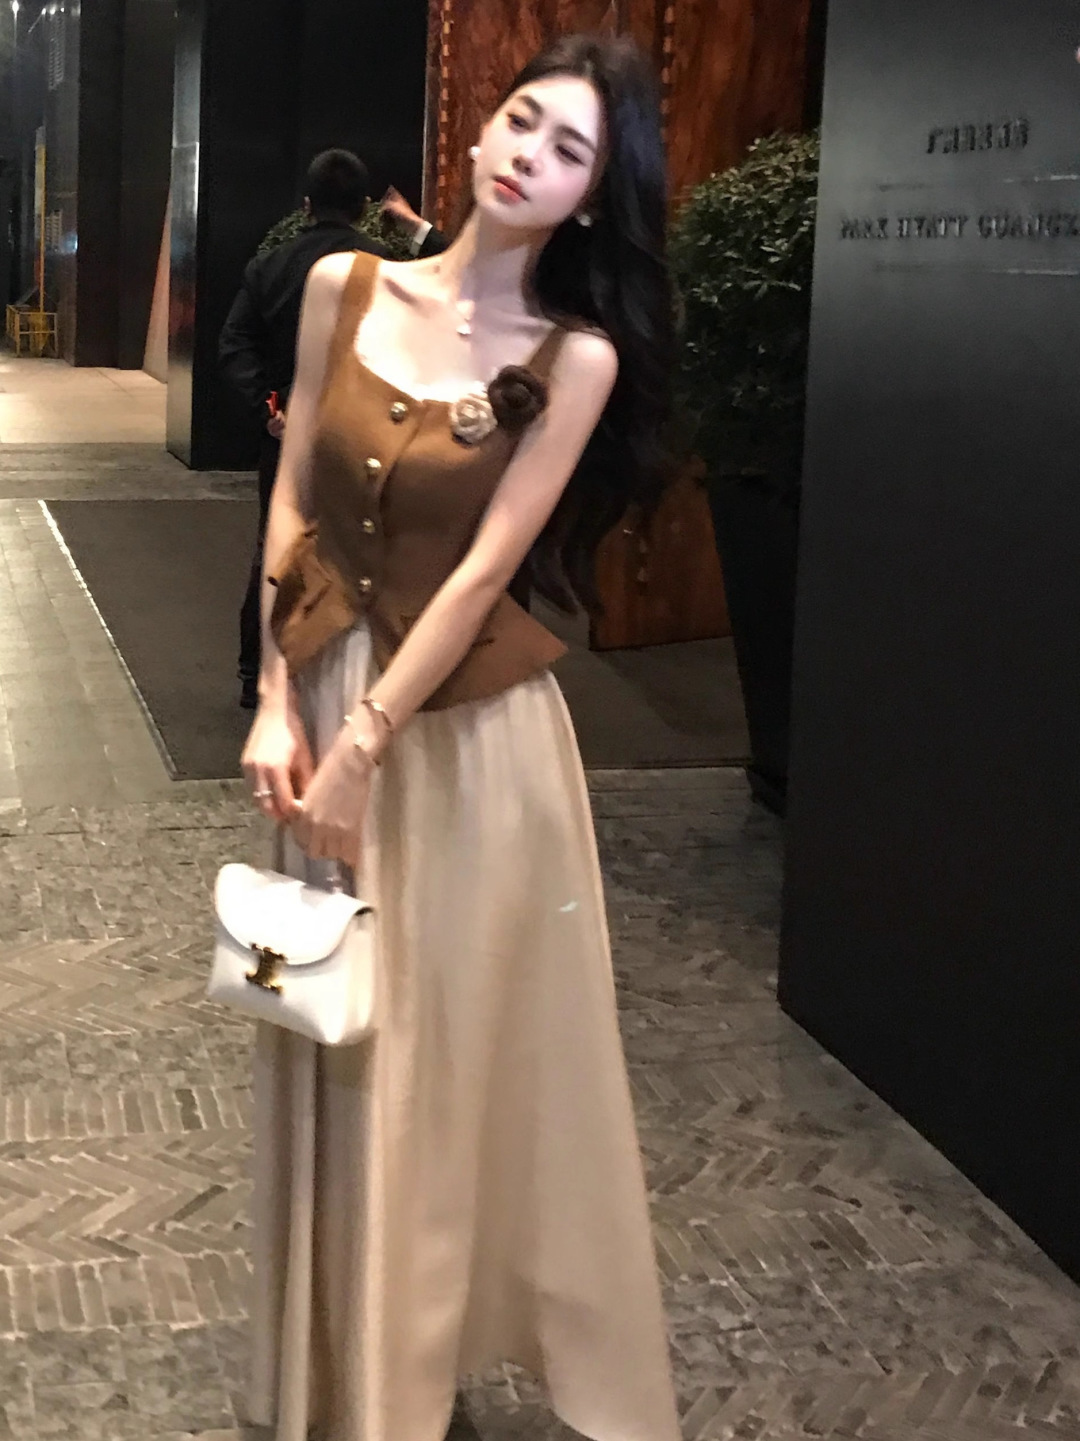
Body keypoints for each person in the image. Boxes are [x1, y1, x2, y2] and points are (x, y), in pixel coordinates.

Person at [241, 32, 680, 1441]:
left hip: (468, 742)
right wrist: (276, 697)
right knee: (332, 1012)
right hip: (322, 699)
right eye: (522, 119)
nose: (529, 155)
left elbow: (491, 567)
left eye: (570, 151)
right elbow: (294, 489)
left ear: (593, 200)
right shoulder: (343, 284)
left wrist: (365, 740)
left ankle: (412, 1370)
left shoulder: (577, 356)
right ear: (481, 128)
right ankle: (339, 1368)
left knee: (442, 1052)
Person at [219, 149, 388, 709]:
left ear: (307, 204)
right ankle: (348, 672)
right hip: (368, 434)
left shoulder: (271, 265)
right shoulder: (388, 267)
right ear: (364, 207)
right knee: (363, 547)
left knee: (276, 544)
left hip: (286, 427)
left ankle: (257, 673)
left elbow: (235, 344)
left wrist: (268, 407)